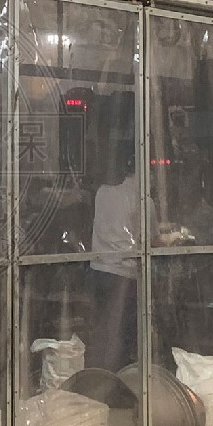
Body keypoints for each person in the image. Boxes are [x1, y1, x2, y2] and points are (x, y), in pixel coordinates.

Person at [88, 153, 140, 371]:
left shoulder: (102, 193)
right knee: (123, 331)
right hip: (124, 274)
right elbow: (153, 238)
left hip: (99, 270)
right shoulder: (142, 199)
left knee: (102, 327)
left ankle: (98, 372)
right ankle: (118, 374)